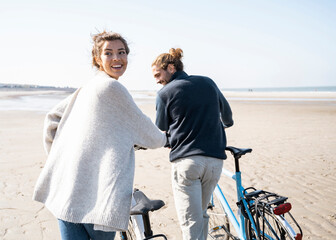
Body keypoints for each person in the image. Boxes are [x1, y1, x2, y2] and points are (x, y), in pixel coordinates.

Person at [33, 31, 167, 240]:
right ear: (97, 58)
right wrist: (166, 137)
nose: (116, 58)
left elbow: (52, 120)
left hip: (65, 190)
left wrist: (61, 160)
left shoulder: (86, 88)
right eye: (108, 53)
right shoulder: (112, 88)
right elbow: (151, 136)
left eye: (121, 52)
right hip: (96, 197)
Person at [151, 48, 233, 240]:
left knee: (190, 222)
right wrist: (214, 127)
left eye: (158, 74)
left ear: (171, 68)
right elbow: (228, 118)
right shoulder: (208, 82)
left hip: (187, 163)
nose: (156, 80)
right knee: (202, 214)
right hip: (215, 162)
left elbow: (160, 128)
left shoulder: (164, 93)